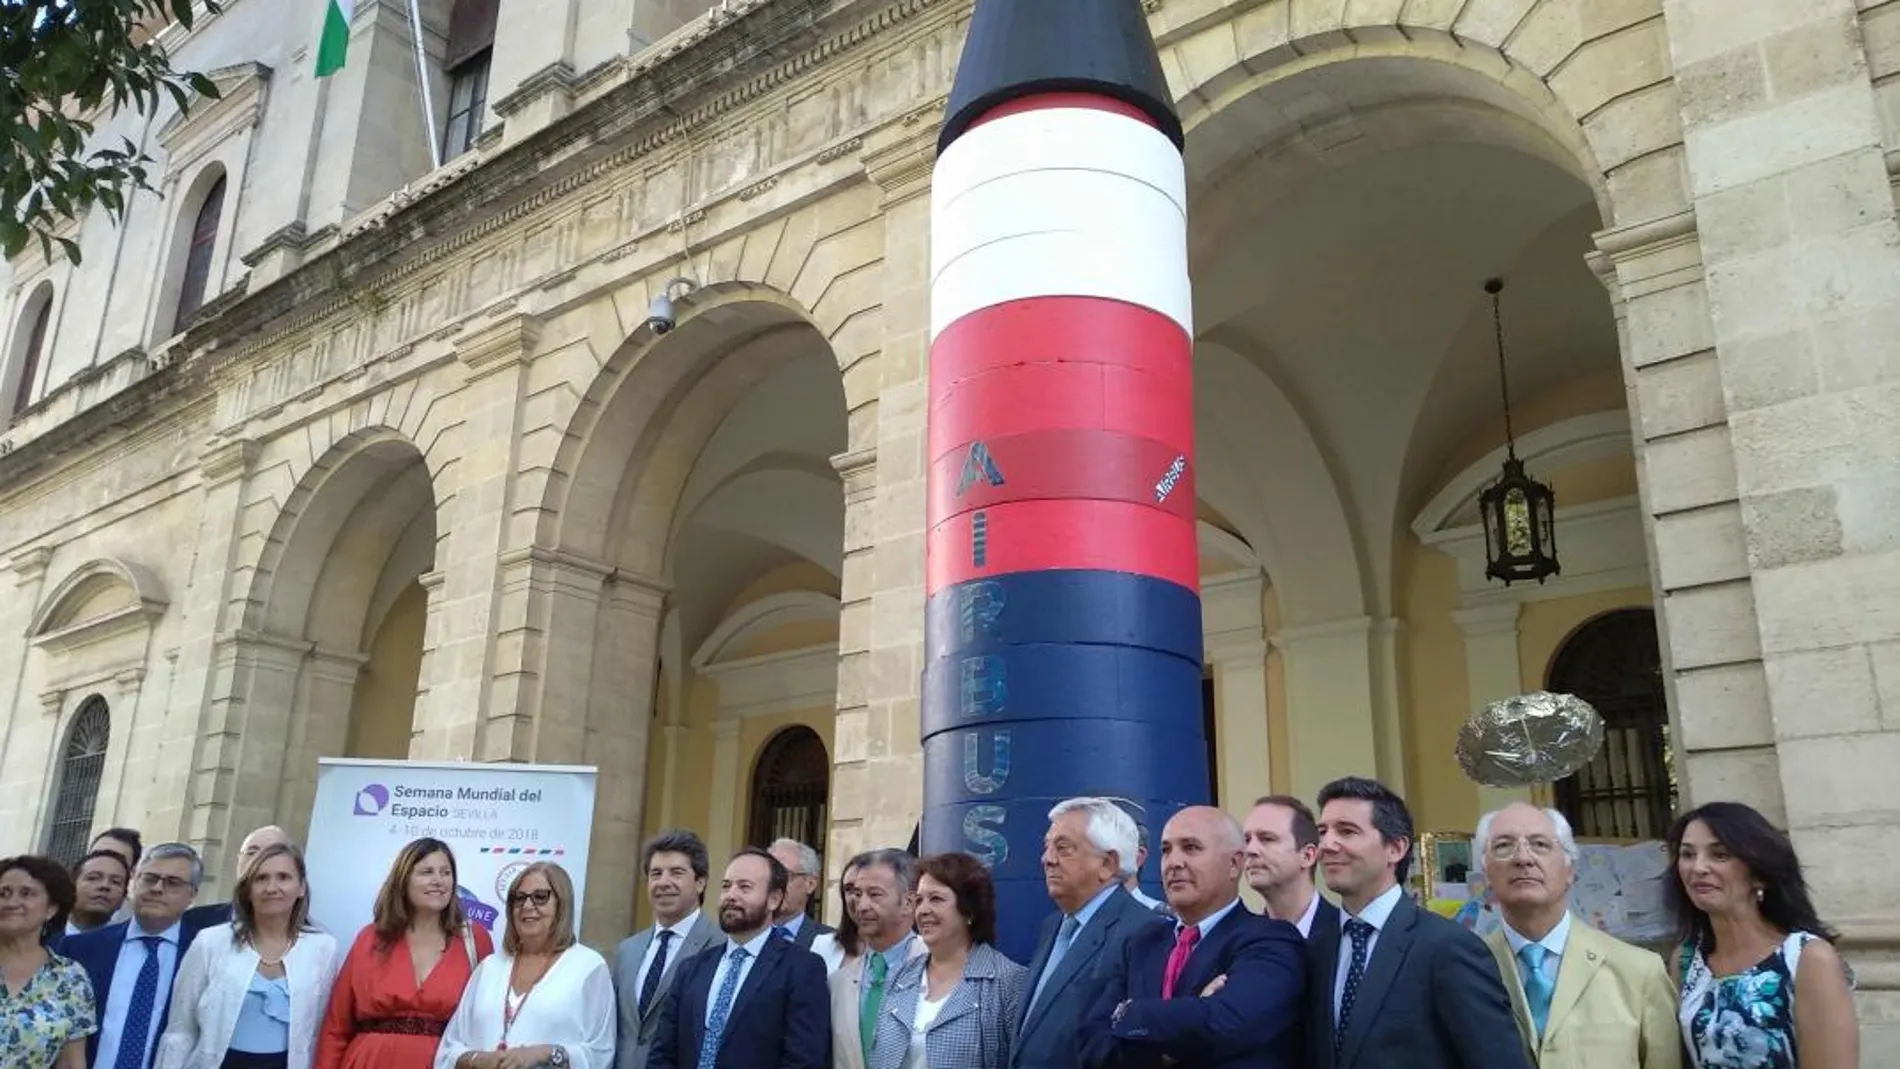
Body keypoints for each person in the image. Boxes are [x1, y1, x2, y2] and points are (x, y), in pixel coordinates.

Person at [1307, 777, 1529, 1069]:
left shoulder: (1448, 947)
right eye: (1323, 832)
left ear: (1396, 849)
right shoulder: (1318, 947)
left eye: (1347, 831)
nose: (1327, 845)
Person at [1080, 806, 1306, 1069]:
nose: (1174, 862)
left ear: (1234, 864)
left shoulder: (1271, 939)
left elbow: (1226, 1022)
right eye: (1166, 850)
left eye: (1191, 848)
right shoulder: (1143, 943)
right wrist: (1175, 1041)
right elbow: (1091, 1043)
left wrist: (1126, 1013)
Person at [1476, 803, 1678, 1068]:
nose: (1523, 858)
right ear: (1486, 872)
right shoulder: (1467, 968)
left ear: (1569, 870)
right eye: (1503, 846)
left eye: (1540, 844)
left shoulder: (1639, 972)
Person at [1667, 801, 1859, 1069]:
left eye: (1719, 855)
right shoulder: (1686, 960)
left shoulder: (1807, 958)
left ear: (1759, 874)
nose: (1698, 867)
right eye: (1687, 854)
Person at [157, 841, 338, 1069]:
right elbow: (180, 1030)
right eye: (261, 878)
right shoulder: (210, 942)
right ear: (248, 890)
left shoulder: (323, 948)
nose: (272, 887)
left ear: (301, 887)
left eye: (284, 877)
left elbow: (321, 1032)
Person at [1014, 797, 1165, 1069]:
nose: (1047, 859)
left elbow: (1133, 1049)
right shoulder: (1053, 925)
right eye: (1047, 846)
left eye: (1063, 848)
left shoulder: (1143, 930)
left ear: (1107, 864)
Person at [318, 838, 493, 1069]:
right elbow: (336, 1027)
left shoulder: (475, 939)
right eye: (426, 872)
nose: (438, 881)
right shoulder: (370, 938)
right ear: (403, 880)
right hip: (370, 1062)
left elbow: (488, 1021)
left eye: (446, 872)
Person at [648, 848, 829, 1069]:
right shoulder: (691, 969)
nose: (731, 895)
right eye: (726, 886)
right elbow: (662, 1054)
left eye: (745, 887)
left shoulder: (802, 968)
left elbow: (803, 1061)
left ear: (774, 899)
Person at [436, 862, 614, 1069]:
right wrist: (479, 1060)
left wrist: (543, 1053)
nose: (527, 906)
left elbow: (601, 1053)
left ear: (562, 904)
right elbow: (449, 1049)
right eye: (519, 898)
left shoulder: (588, 967)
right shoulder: (489, 968)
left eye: (540, 897)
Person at [869, 852, 1027, 1069]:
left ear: (969, 909)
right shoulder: (900, 975)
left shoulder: (1007, 982)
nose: (923, 910)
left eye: (936, 899)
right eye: (919, 900)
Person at [62, 843, 210, 1069]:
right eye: (149, 878)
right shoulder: (80, 949)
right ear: (133, 882)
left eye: (172, 883)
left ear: (192, 894)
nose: (157, 888)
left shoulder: (205, 956)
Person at [613, 829, 720, 1069]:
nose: (664, 882)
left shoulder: (721, 947)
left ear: (701, 882)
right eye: (656, 873)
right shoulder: (627, 950)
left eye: (677, 872)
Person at [829, 848, 924, 1069]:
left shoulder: (940, 969)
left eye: (874, 894)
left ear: (909, 903)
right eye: (856, 893)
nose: (860, 906)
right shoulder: (838, 983)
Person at [0, 854, 96, 1069]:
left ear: (51, 909)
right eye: (3, 893)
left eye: (26, 893)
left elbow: (71, 1063)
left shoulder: (70, 978)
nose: (11, 902)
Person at [1242, 796, 1333, 939]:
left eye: (1267, 839)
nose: (1250, 850)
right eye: (1247, 840)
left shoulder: (1345, 934)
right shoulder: (1241, 941)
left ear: (1307, 856)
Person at [184, 826, 292, 930]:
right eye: (252, 853)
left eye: (273, 853)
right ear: (238, 861)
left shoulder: (306, 940)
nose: (259, 860)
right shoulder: (192, 922)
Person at [768, 838, 838, 955]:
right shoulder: (741, 935)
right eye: (769, 875)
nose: (774, 883)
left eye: (784, 875)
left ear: (810, 884)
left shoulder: (832, 943)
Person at [66, 849, 133, 935]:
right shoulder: (45, 936)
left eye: (115, 882)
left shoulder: (128, 945)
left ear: (123, 898)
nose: (105, 886)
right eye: (93, 878)